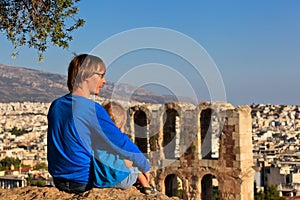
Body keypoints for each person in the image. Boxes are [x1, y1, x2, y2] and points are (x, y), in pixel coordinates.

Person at [47, 54, 150, 194]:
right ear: (86, 75)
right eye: (101, 75)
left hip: (58, 179)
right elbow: (120, 142)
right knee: (131, 167)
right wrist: (145, 165)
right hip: (83, 181)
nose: (104, 81)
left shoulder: (56, 105)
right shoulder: (92, 109)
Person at [102, 101, 157, 195]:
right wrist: (146, 168)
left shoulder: (96, 137)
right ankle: (146, 186)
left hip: (100, 178)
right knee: (134, 167)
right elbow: (136, 155)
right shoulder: (121, 140)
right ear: (120, 126)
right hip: (121, 180)